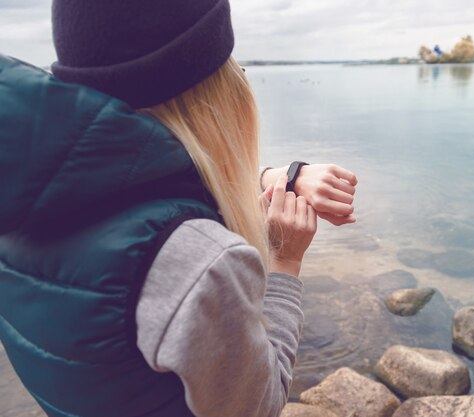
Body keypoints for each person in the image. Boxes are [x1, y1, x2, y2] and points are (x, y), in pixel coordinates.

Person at [0, 1, 357, 416]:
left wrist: (274, 176)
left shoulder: (23, 195)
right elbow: (258, 406)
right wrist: (285, 261)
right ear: (214, 89)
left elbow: (133, 176)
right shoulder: (200, 261)